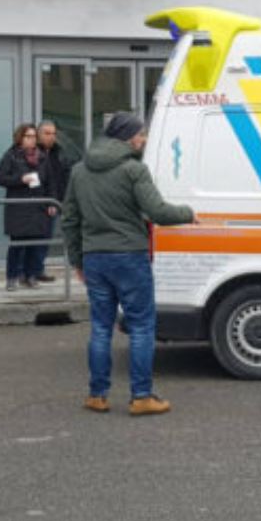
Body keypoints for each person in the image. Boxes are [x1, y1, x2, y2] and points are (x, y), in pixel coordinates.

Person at [62, 111, 195, 416]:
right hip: (129, 257)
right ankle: (141, 396)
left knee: (100, 327)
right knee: (142, 326)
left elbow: (70, 220)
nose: (143, 139)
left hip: (95, 258)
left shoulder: (79, 171)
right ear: (127, 136)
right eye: (140, 134)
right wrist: (188, 213)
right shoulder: (134, 170)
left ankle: (97, 395)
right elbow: (158, 211)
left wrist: (78, 260)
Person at [0, 123, 52, 291]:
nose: (32, 140)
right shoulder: (11, 156)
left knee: (35, 245)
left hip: (37, 207)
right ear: (20, 138)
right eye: (28, 136)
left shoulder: (42, 157)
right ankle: (12, 278)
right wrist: (20, 179)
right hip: (18, 208)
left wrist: (51, 202)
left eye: (34, 136)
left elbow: (50, 182)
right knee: (17, 245)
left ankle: (30, 276)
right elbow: (1, 178)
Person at [28, 119, 73, 285]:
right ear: (38, 135)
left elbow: (64, 174)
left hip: (55, 201)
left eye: (53, 133)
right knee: (32, 239)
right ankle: (26, 272)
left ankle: (38, 270)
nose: (51, 137)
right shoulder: (32, 152)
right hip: (37, 202)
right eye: (47, 133)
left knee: (46, 237)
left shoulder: (58, 152)